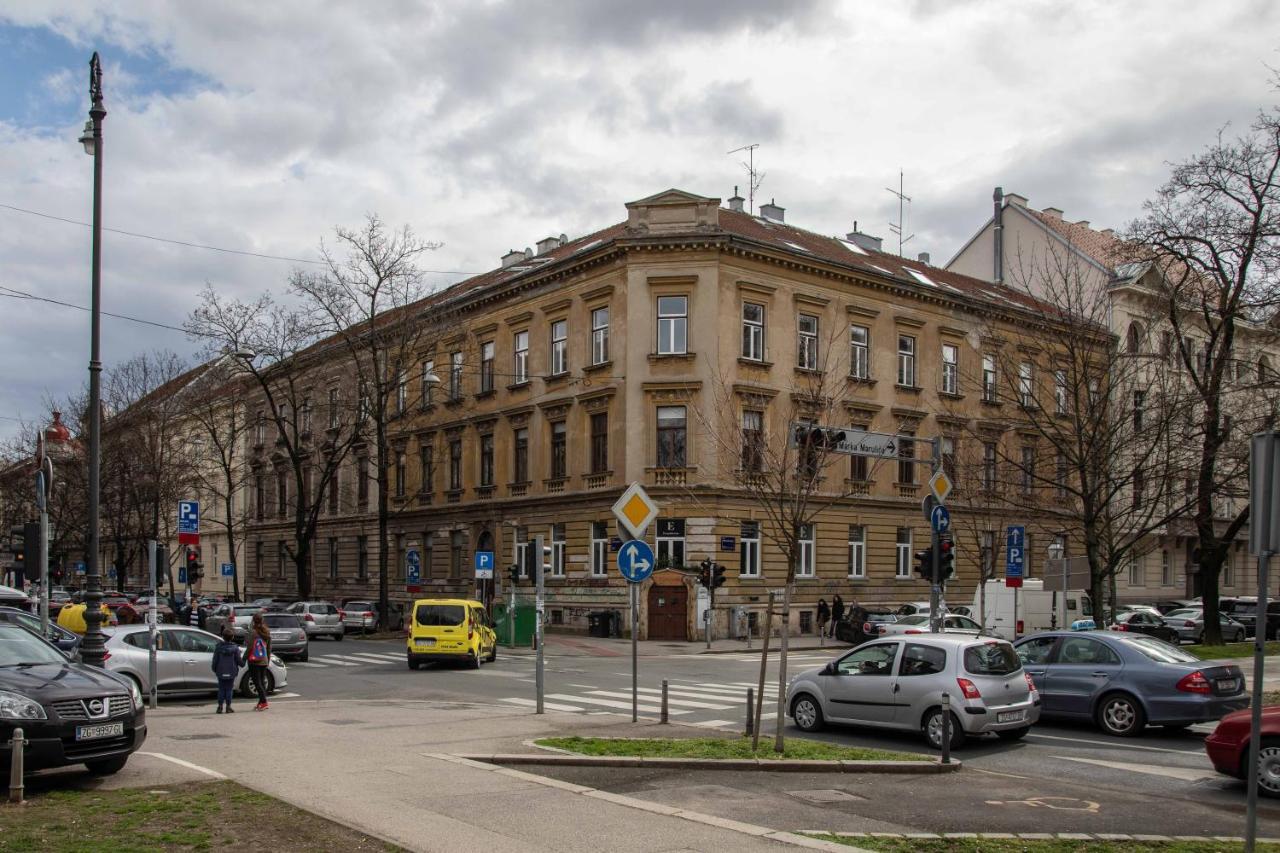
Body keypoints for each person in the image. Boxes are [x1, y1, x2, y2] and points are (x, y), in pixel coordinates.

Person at [211, 627, 243, 714]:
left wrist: (214, 668)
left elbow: (215, 660)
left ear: (222, 637)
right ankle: (228, 707)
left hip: (220, 671)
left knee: (221, 689)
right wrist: (243, 663)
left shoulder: (218, 648)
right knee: (229, 689)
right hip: (231, 671)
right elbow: (239, 661)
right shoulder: (235, 648)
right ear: (232, 637)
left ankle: (220, 706)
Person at [246, 612, 272, 711]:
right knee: (261, 682)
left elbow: (249, 648)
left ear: (253, 621)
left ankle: (264, 702)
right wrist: (267, 660)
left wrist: (244, 658)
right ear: (262, 621)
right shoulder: (267, 631)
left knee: (257, 683)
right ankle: (260, 703)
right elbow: (269, 648)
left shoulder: (253, 632)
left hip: (254, 660)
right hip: (264, 660)